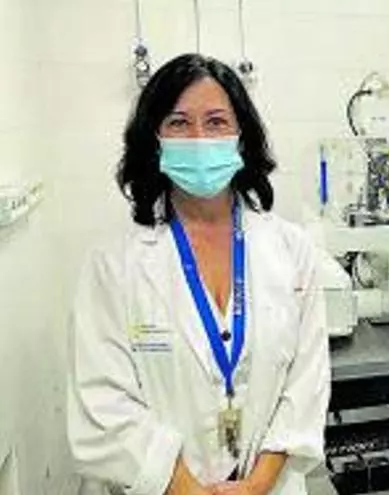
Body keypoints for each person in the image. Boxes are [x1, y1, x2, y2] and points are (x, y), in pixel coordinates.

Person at [67, 53, 331, 495]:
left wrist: (258, 484)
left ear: (241, 137)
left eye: (215, 122)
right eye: (178, 123)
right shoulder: (113, 265)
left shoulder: (292, 251)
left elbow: (307, 382)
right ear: (154, 139)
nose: (199, 138)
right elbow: (103, 403)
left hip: (269, 487)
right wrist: (184, 487)